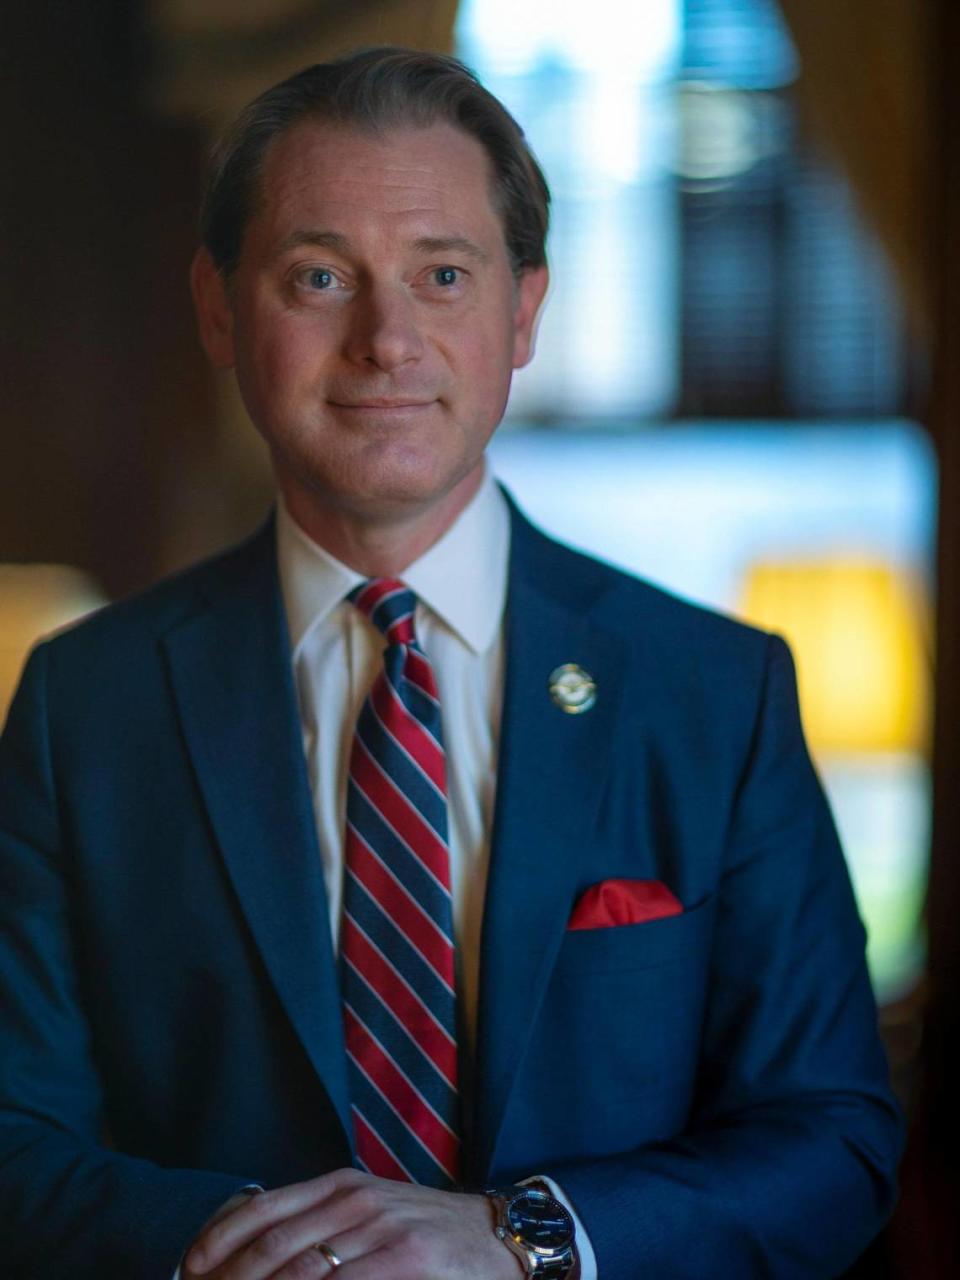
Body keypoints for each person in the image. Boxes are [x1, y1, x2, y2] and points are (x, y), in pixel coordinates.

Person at [0, 46, 902, 1280]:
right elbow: (11, 1139)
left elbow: (834, 1139)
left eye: (443, 275)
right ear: (218, 306)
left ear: (523, 310)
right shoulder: (82, 705)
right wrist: (288, 1257)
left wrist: (521, 1237)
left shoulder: (713, 693)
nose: (387, 340)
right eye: (320, 275)